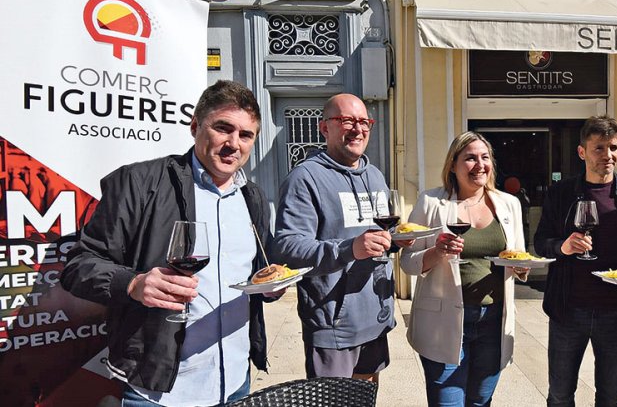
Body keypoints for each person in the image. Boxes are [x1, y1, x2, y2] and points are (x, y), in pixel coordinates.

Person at [60, 80, 276, 406]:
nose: (234, 143)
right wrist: (132, 283)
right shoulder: (138, 182)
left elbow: (258, 270)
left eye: (246, 135)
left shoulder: (253, 197)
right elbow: (78, 265)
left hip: (234, 381)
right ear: (194, 126)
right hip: (157, 391)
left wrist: (270, 286)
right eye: (223, 128)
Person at [274, 93, 412, 382]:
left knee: (365, 399)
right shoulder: (305, 178)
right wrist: (350, 249)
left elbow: (380, 234)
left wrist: (396, 240)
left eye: (364, 121)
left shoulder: (374, 175)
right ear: (325, 128)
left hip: (374, 317)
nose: (357, 129)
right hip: (333, 324)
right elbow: (288, 247)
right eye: (346, 120)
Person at [534, 116, 617, 407]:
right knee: (560, 395)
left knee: (611, 397)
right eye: (599, 148)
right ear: (582, 152)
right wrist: (563, 247)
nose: (608, 155)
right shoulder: (561, 193)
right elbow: (541, 243)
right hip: (568, 310)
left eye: (614, 148)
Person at [401, 131, 528, 406]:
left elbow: (517, 256)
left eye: (485, 157)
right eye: (470, 158)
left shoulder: (509, 204)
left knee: (481, 401)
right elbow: (407, 261)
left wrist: (522, 268)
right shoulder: (431, 203)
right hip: (443, 323)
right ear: (453, 165)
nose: (479, 165)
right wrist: (436, 252)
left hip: (493, 321)